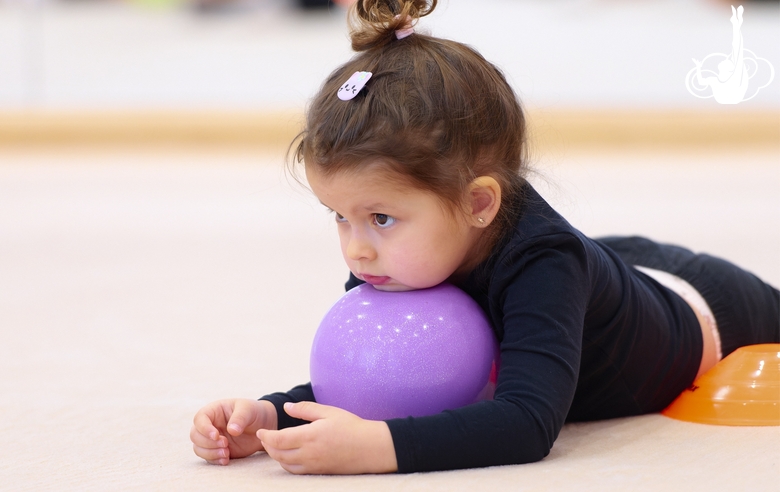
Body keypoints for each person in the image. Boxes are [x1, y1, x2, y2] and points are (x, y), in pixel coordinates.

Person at [190, 0, 779, 474]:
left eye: (381, 218)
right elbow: (379, 379)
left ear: (477, 203)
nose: (356, 249)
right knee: (584, 272)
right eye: (339, 217)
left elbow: (526, 422)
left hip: (710, 307)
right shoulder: (394, 258)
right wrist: (270, 416)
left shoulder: (544, 263)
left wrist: (378, 447)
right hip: (609, 273)